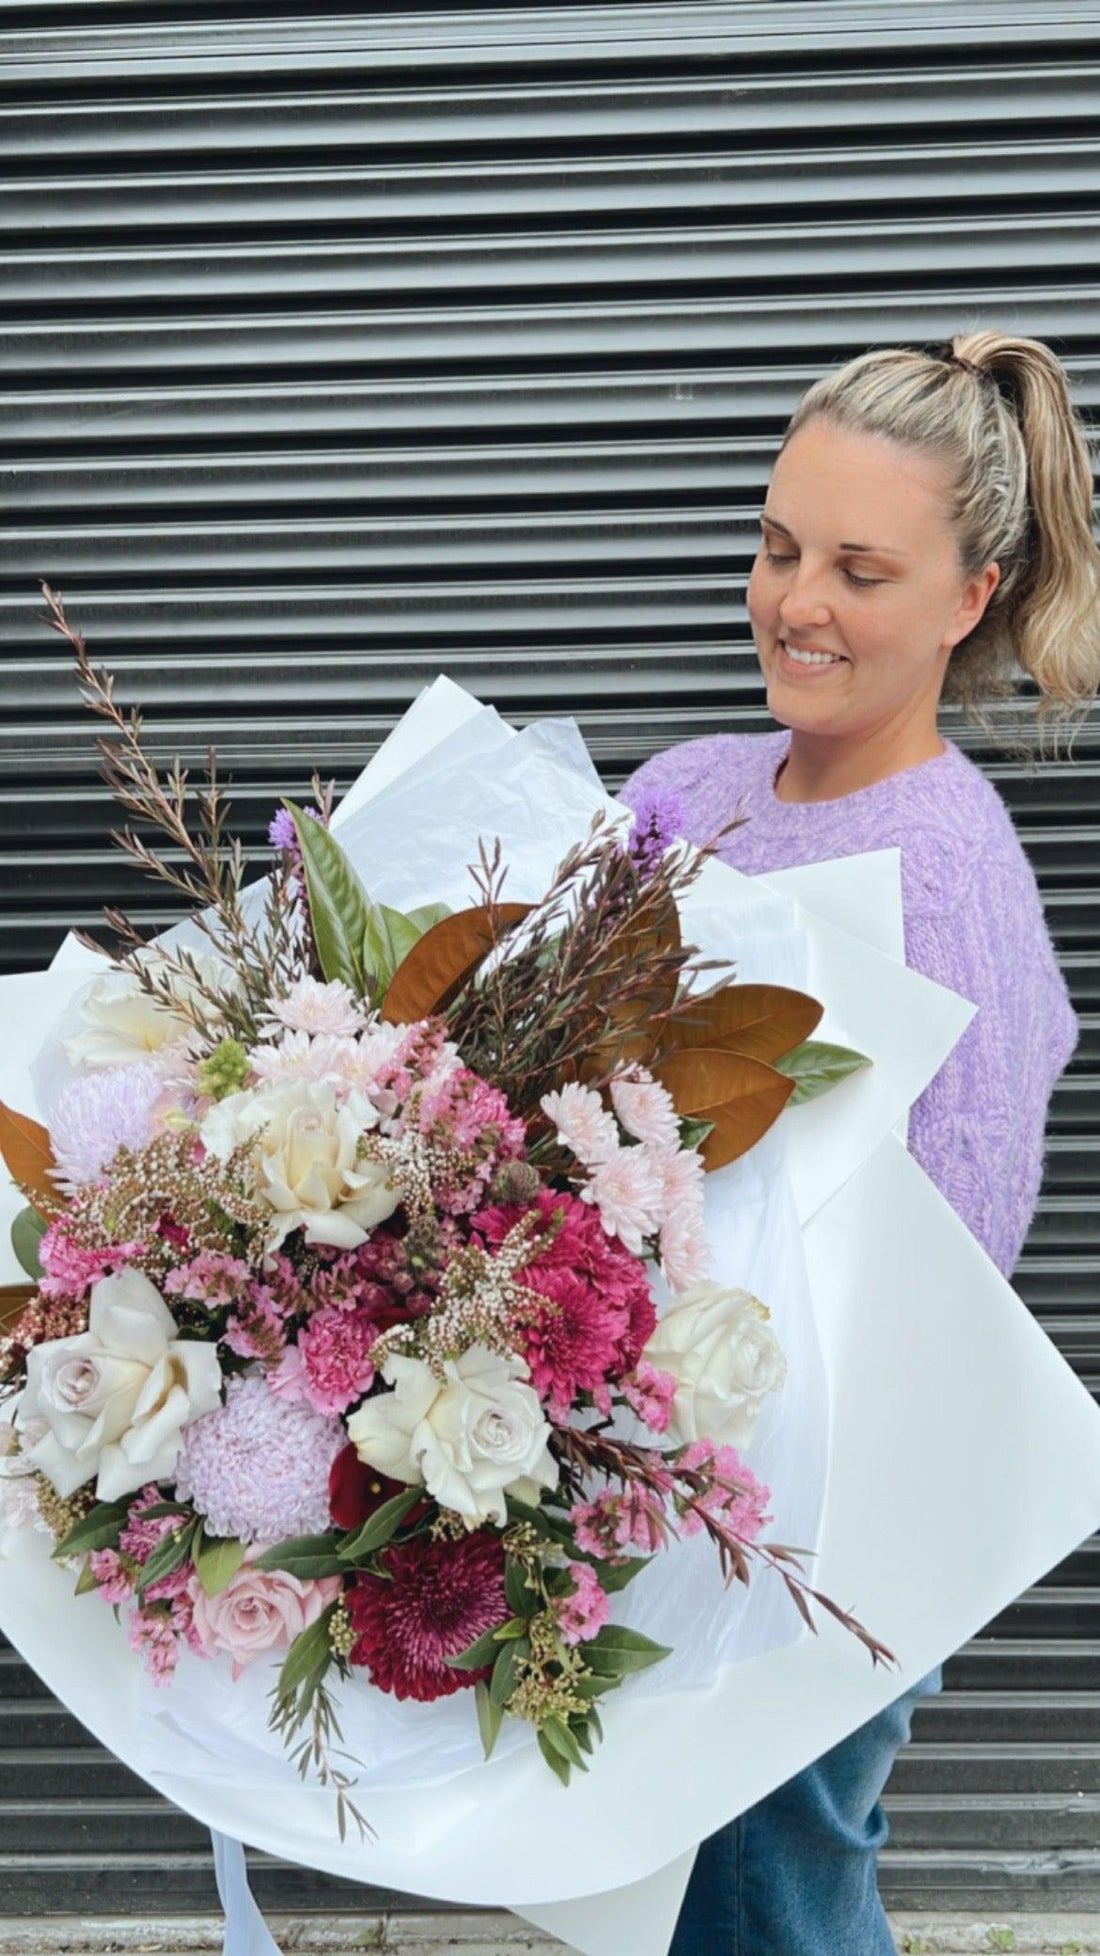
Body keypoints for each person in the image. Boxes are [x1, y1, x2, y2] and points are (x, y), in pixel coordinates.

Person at [618, 330, 1100, 1956]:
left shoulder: (954, 894)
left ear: (969, 600)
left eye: (859, 568)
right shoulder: (681, 792)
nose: (793, 601)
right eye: (777, 544)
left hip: (820, 1544)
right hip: (632, 1485)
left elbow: (937, 1303)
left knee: (775, 1910)